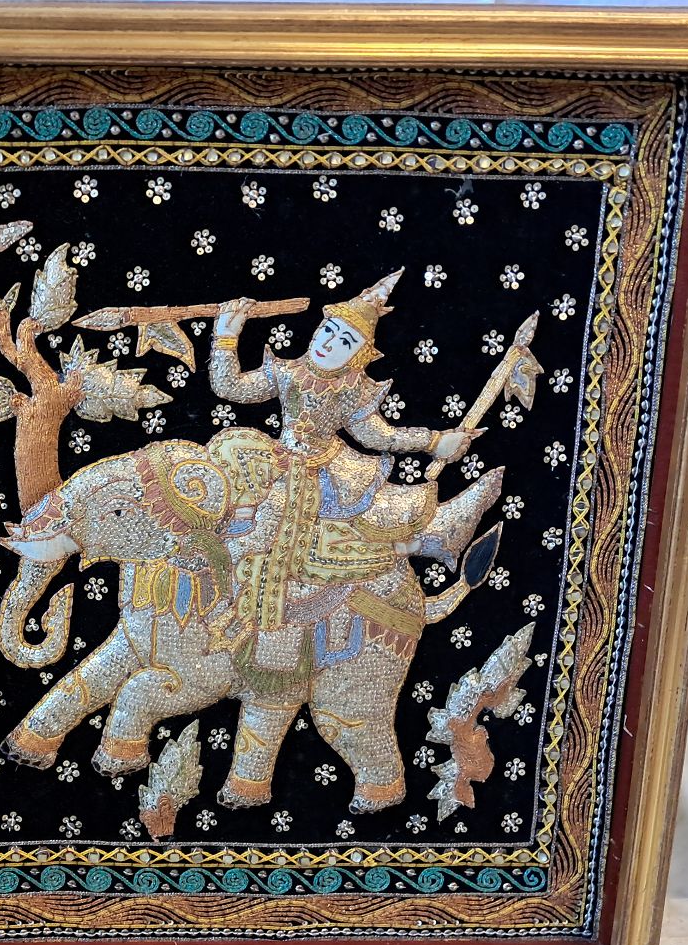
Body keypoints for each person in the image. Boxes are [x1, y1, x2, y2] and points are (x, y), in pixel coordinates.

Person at [206, 269, 485, 669]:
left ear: (357, 355)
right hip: (275, 459)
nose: (329, 344)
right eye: (328, 331)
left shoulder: (350, 391)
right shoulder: (288, 373)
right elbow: (229, 387)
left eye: (345, 342)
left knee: (287, 532)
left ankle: (260, 616)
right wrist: (226, 335)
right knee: (230, 454)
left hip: (321, 473)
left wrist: (433, 441)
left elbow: (378, 435)